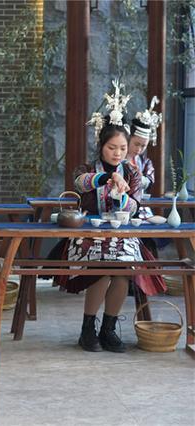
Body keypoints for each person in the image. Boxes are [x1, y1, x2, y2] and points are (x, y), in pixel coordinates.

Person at [49, 81, 165, 353]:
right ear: (101, 145)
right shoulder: (87, 168)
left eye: (123, 148)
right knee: (101, 272)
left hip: (122, 235)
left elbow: (134, 207)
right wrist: (107, 178)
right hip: (88, 235)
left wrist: (122, 195)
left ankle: (108, 329)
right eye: (112, 147)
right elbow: (80, 183)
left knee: (122, 273)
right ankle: (87, 329)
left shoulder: (133, 173)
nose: (118, 153)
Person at [126, 96, 162, 220]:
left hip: (141, 206)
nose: (139, 149)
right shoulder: (117, 159)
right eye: (136, 144)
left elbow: (149, 180)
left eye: (143, 146)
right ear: (128, 139)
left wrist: (139, 177)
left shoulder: (145, 162)